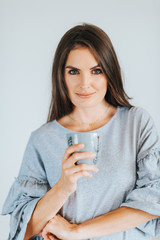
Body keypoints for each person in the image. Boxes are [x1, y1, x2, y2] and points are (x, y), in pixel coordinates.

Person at [2, 23, 160, 240]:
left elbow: (154, 201)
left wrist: (76, 231)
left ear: (109, 73)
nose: (85, 84)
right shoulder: (42, 140)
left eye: (96, 71)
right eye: (74, 71)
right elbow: (23, 230)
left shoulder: (137, 123)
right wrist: (63, 187)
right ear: (62, 76)